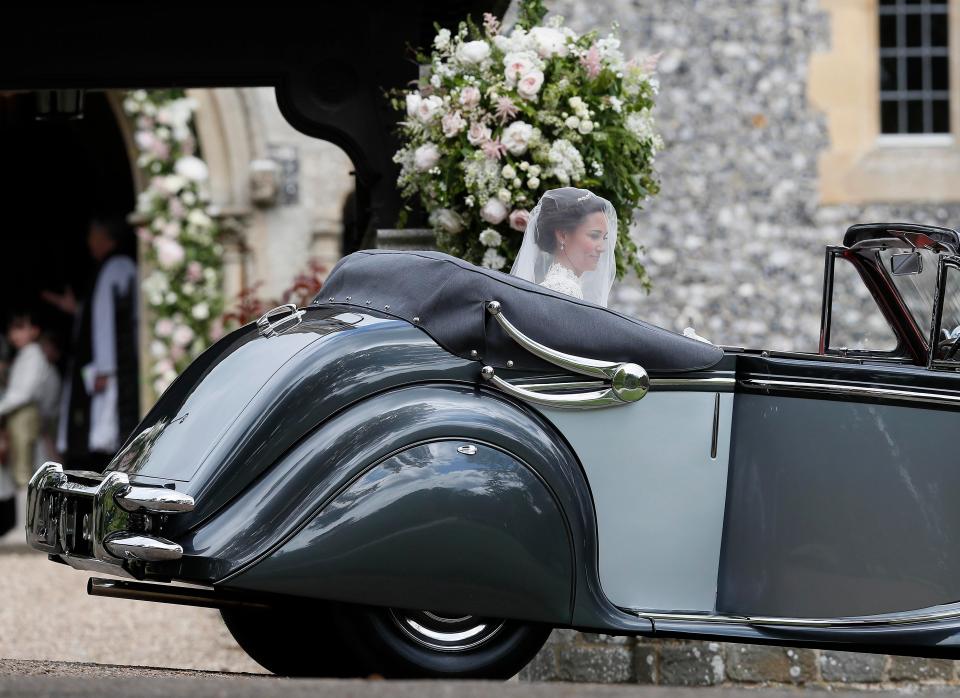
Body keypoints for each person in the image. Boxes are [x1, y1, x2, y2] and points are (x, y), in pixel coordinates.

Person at [42, 216, 139, 471]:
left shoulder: (117, 266)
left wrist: (105, 367)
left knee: (104, 430)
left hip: (111, 369)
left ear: (106, 237)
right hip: (101, 365)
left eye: (92, 235)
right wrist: (76, 310)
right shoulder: (107, 268)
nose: (88, 242)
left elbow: (109, 317)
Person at [509, 187, 618, 307]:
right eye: (594, 235)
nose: (602, 248)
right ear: (563, 235)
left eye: (604, 237)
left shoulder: (560, 286)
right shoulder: (565, 290)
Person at [0, 309, 60, 488]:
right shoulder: (25, 355)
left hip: (24, 416)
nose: (14, 334)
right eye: (13, 329)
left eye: (20, 328)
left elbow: (23, 393)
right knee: (20, 470)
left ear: (34, 330)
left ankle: (24, 515)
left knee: (23, 472)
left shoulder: (34, 355)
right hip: (18, 416)